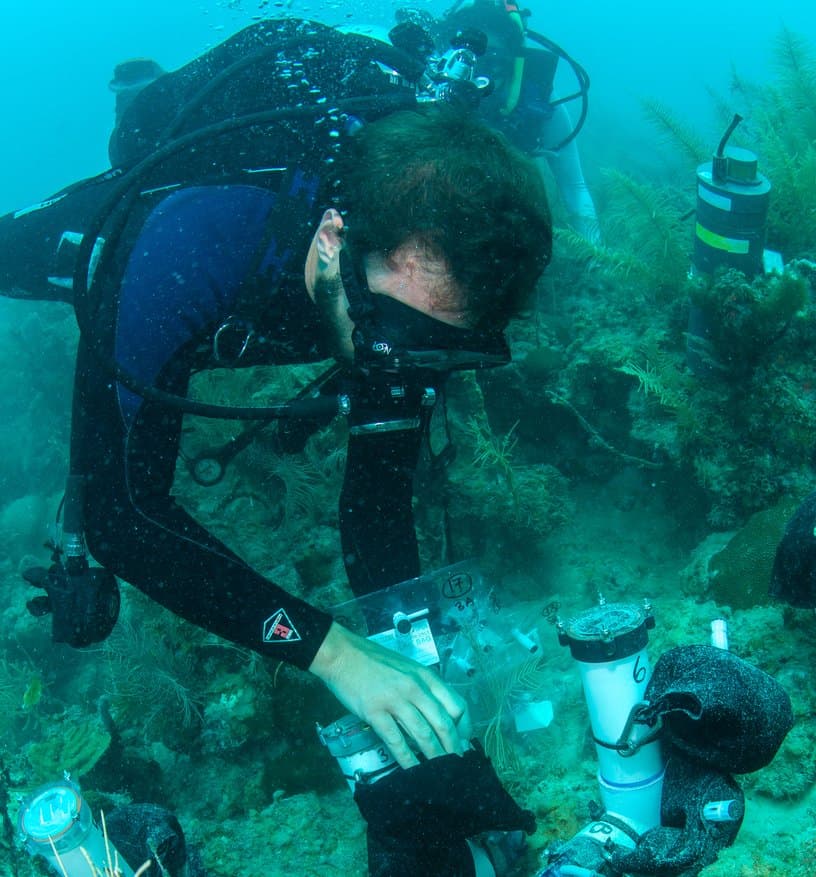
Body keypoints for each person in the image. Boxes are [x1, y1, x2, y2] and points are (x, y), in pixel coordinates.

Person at [0, 16, 551, 876]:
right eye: (395, 336)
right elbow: (121, 515)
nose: (399, 368)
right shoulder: (187, 234)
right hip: (178, 235)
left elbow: (376, 505)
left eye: (437, 350)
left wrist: (418, 686)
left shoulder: (411, 299)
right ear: (334, 243)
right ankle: (138, 98)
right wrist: (332, 651)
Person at [401, 0, 601, 242]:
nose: (477, 75)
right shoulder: (421, 91)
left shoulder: (539, 103)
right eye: (467, 61)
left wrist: (595, 257)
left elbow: (575, 188)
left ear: (513, 60)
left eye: (492, 58)